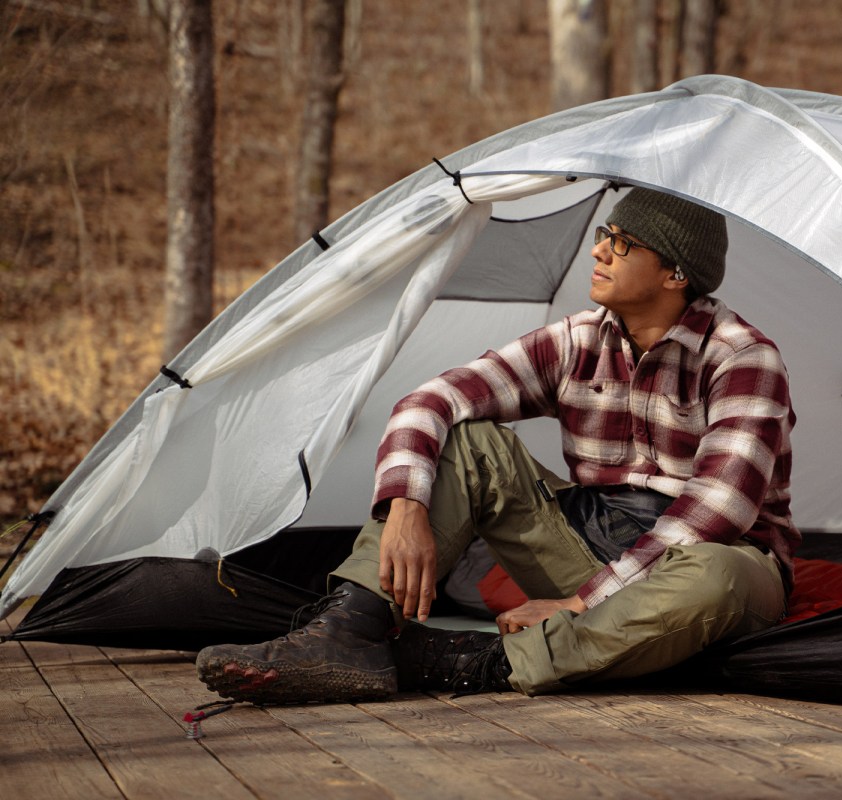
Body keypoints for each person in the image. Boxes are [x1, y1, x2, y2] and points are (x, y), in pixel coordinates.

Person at [197, 187, 801, 703]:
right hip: (585, 543)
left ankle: (479, 663)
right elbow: (429, 401)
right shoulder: (576, 340)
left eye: (621, 244)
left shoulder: (742, 356)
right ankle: (349, 631)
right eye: (603, 234)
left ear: (675, 274)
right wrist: (403, 506)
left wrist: (580, 602)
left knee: (714, 576)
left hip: (713, 561)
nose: (597, 250)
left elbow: (719, 511)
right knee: (468, 441)